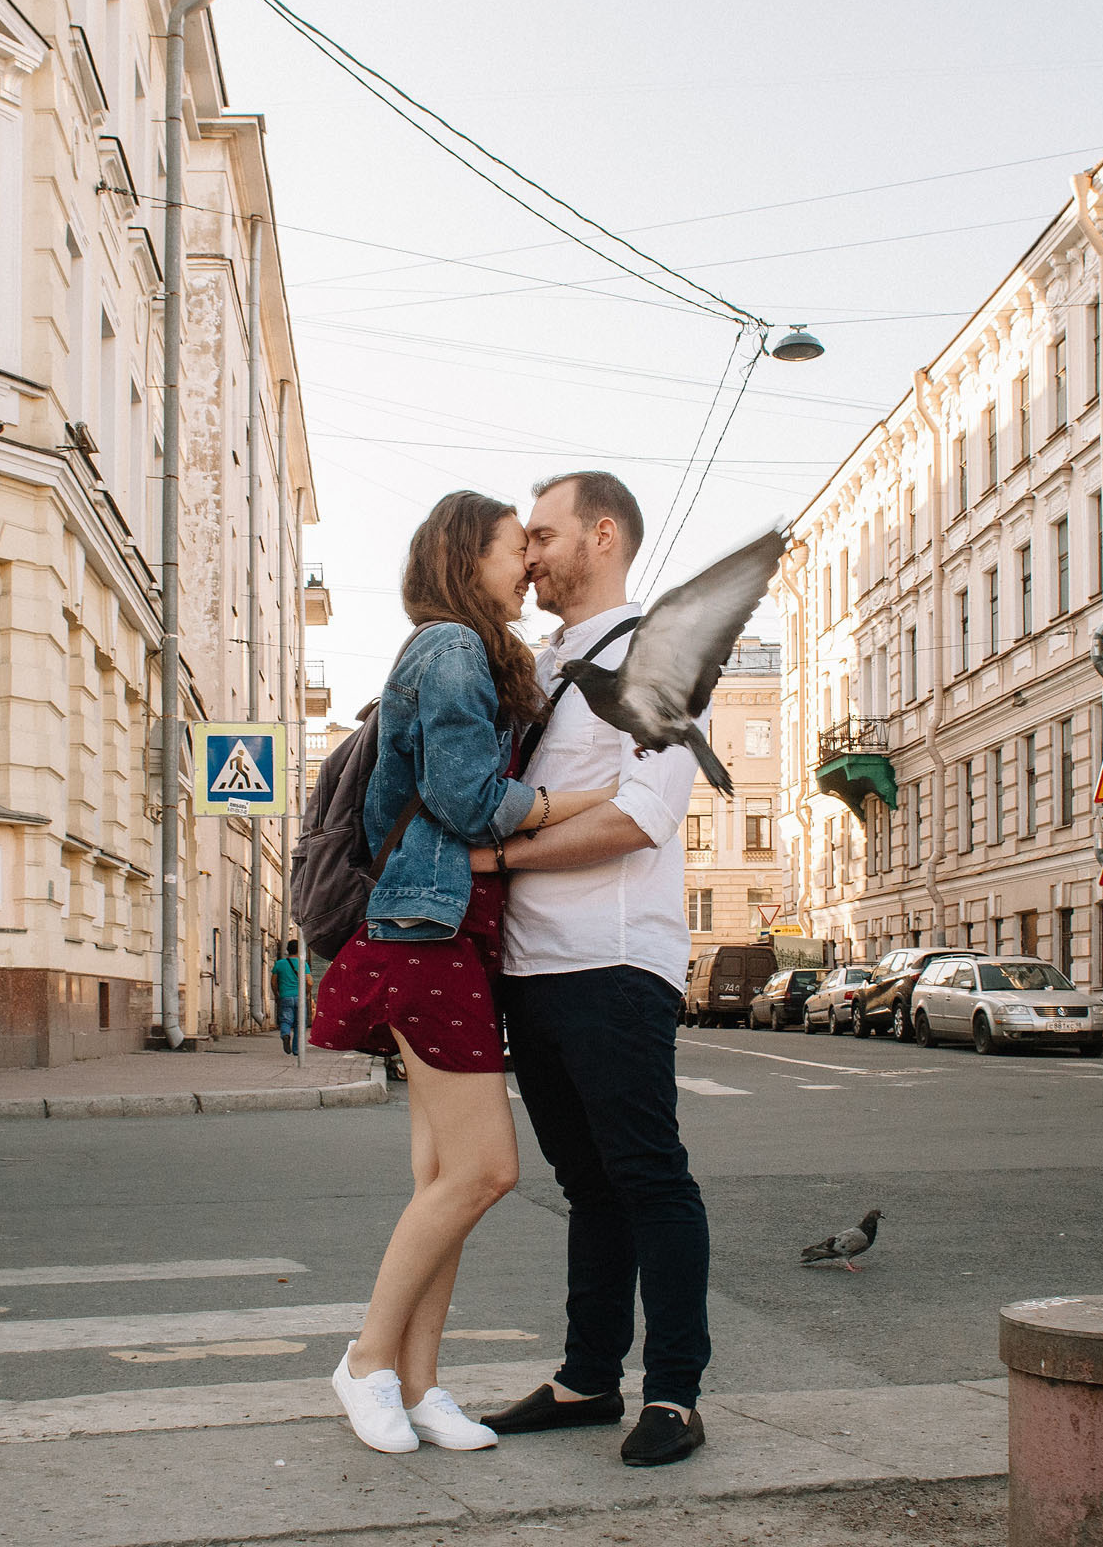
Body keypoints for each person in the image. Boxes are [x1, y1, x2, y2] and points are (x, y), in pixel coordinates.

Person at [308, 491, 619, 1457]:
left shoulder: (464, 651)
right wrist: (586, 798)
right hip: (424, 937)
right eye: (513, 548)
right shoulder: (450, 648)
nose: (527, 564)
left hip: (444, 931)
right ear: (466, 557)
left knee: (442, 1178)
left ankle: (420, 1384)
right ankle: (366, 1361)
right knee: (486, 1171)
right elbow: (465, 800)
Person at [476, 470, 714, 1470]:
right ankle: (587, 1378)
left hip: (612, 959)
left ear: (602, 535)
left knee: (647, 1174)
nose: (528, 553)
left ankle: (675, 1394)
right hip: (530, 966)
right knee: (587, 1183)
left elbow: (639, 816)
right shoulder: (540, 667)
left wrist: (497, 860)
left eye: (543, 533)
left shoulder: (660, 657)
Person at [271, 939, 308, 1055]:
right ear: (299, 950)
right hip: (300, 997)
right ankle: (296, 1050)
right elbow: (310, 981)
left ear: (288, 950)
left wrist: (276, 994)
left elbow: (273, 982)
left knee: (286, 1020)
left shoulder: (279, 964)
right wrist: (306, 993)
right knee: (299, 1023)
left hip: (285, 996)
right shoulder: (303, 964)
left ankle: (285, 1034)